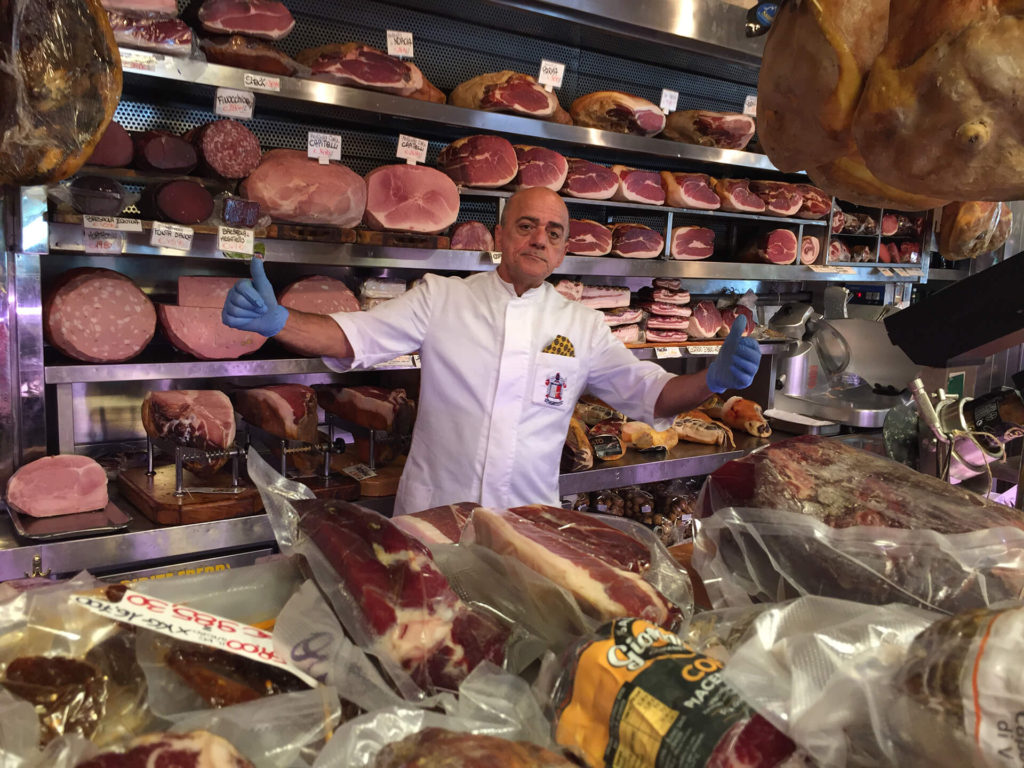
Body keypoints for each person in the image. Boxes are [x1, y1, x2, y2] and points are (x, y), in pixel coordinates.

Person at [223, 187, 761, 515]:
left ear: (565, 247)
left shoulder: (582, 325)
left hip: (526, 524)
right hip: (433, 520)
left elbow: (653, 395)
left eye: (553, 231)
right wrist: (278, 321)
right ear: (502, 235)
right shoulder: (442, 297)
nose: (539, 238)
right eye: (526, 226)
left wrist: (712, 379)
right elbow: (352, 338)